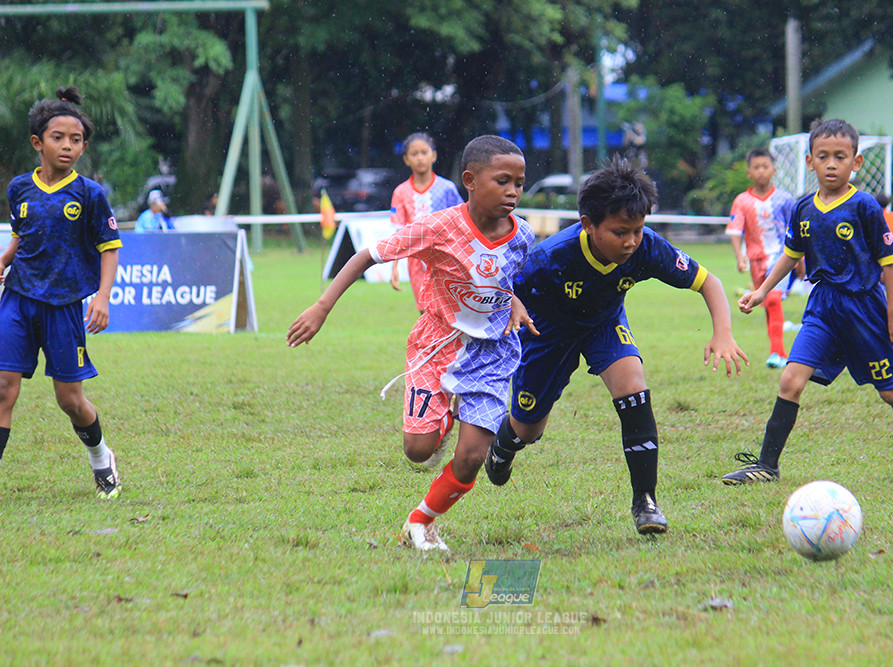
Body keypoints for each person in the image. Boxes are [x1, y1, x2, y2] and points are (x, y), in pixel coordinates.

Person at [287, 135, 536, 552]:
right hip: (436, 345)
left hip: (490, 355)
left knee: (474, 455)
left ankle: (421, 523)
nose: (513, 191)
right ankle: (442, 418)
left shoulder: (522, 235)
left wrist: (515, 301)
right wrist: (322, 306)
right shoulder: (440, 227)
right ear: (471, 180)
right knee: (418, 451)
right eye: (503, 181)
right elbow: (367, 255)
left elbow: (512, 280)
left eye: (520, 183)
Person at [484, 156, 750, 535]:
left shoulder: (646, 247)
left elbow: (709, 282)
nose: (630, 242)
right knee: (528, 428)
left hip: (604, 323)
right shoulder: (549, 258)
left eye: (638, 230)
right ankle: (505, 445)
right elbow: (504, 292)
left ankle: (646, 501)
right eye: (621, 232)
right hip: (547, 332)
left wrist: (722, 333)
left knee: (633, 387)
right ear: (588, 225)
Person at [722, 119, 893, 485]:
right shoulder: (804, 208)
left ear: (856, 162)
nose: (831, 164)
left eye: (840, 156)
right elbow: (790, 254)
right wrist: (763, 290)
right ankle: (767, 465)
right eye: (823, 156)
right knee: (790, 380)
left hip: (864, 308)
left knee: (890, 390)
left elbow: (889, 260)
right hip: (822, 307)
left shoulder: (864, 206)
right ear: (809, 161)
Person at [0, 86, 123, 497]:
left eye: (76, 140)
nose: (67, 146)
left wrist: (102, 298)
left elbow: (109, 247)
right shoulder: (19, 188)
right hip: (17, 298)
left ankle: (101, 456)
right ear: (38, 143)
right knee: (3, 386)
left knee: (69, 399)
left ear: (83, 147)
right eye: (58, 138)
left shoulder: (89, 194)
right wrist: (4, 260)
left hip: (64, 305)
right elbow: (22, 234)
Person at [726, 148, 797, 368]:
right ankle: (778, 352)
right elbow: (735, 230)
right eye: (756, 167)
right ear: (749, 172)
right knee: (767, 303)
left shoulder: (785, 199)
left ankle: (777, 352)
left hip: (782, 257)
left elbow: (796, 231)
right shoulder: (742, 201)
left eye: (765, 167)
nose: (761, 171)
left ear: (774, 170)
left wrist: (800, 261)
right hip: (757, 261)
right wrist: (740, 257)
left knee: (773, 299)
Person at [388, 133, 464, 312]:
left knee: (449, 309)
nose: (420, 158)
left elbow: (462, 222)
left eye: (424, 152)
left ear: (434, 155)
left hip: (446, 257)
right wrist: (394, 268)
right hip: (416, 260)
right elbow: (398, 233)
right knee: (425, 310)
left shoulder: (447, 189)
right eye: (414, 154)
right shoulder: (400, 192)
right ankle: (428, 341)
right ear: (406, 159)